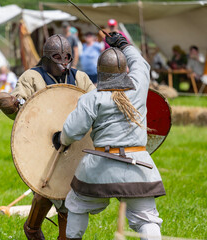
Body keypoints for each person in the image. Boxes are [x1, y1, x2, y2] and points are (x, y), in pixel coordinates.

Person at [54, 32, 166, 240]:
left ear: (99, 71)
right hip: (137, 167)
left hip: (99, 168)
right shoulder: (139, 86)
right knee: (146, 219)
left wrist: (61, 140)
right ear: (124, 69)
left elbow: (71, 131)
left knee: (77, 205)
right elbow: (140, 63)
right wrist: (124, 44)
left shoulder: (92, 98)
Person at [0, 34, 95, 240]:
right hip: (43, 145)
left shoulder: (81, 79)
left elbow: (95, 102)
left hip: (74, 146)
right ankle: (32, 228)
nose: (63, 62)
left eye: (67, 57)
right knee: (45, 188)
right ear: (47, 58)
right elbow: (21, 105)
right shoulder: (32, 77)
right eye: (57, 57)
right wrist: (13, 104)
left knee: (69, 196)